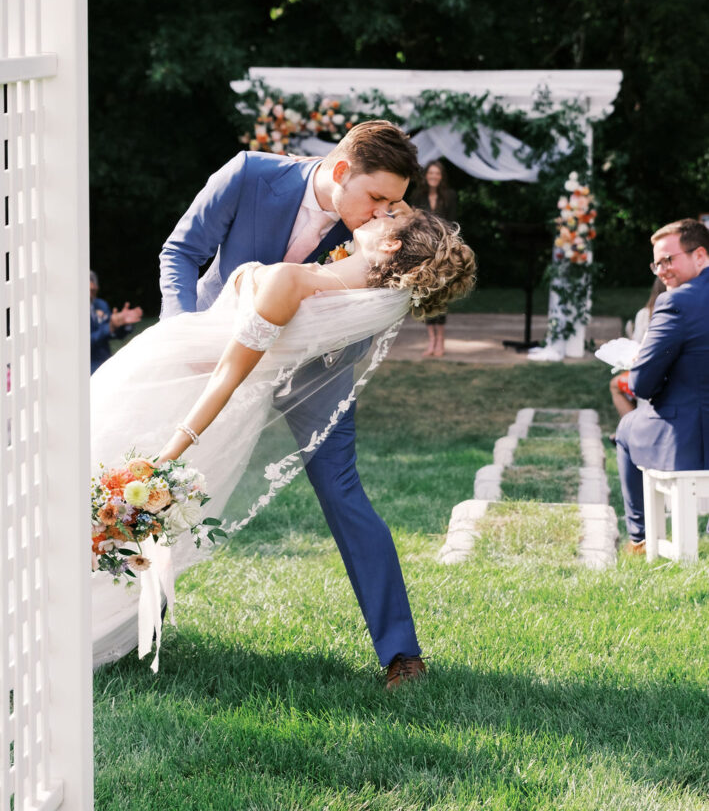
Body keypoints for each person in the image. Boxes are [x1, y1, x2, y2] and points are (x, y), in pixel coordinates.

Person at [91, 206, 476, 677]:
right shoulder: (372, 296)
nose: (378, 212)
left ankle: (400, 651)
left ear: (391, 247)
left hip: (183, 372)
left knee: (111, 477)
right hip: (179, 360)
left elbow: (229, 376)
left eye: (388, 215)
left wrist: (168, 455)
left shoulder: (295, 284)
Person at [615, 218, 709, 553]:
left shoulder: (676, 302)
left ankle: (639, 538)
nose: (661, 270)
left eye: (669, 260)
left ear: (700, 255)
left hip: (694, 436)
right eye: (657, 262)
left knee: (626, 428)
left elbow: (641, 384)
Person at [410, 161, 458, 357]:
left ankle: (441, 340)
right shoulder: (417, 196)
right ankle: (431, 340)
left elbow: (454, 224)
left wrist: (449, 248)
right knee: (426, 296)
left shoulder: (450, 196)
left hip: (444, 252)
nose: (434, 176)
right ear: (426, 176)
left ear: (441, 176)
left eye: (437, 173)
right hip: (424, 253)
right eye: (431, 173)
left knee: (442, 295)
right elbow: (412, 224)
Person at [609, 278, 666, 433]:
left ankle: (632, 430)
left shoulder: (644, 314)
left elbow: (636, 348)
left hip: (646, 378)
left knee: (615, 384)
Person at [90, 270, 143, 374]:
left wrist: (123, 325)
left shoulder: (101, 304)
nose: (90, 295)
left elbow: (113, 335)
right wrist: (109, 328)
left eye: (93, 291)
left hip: (105, 363)